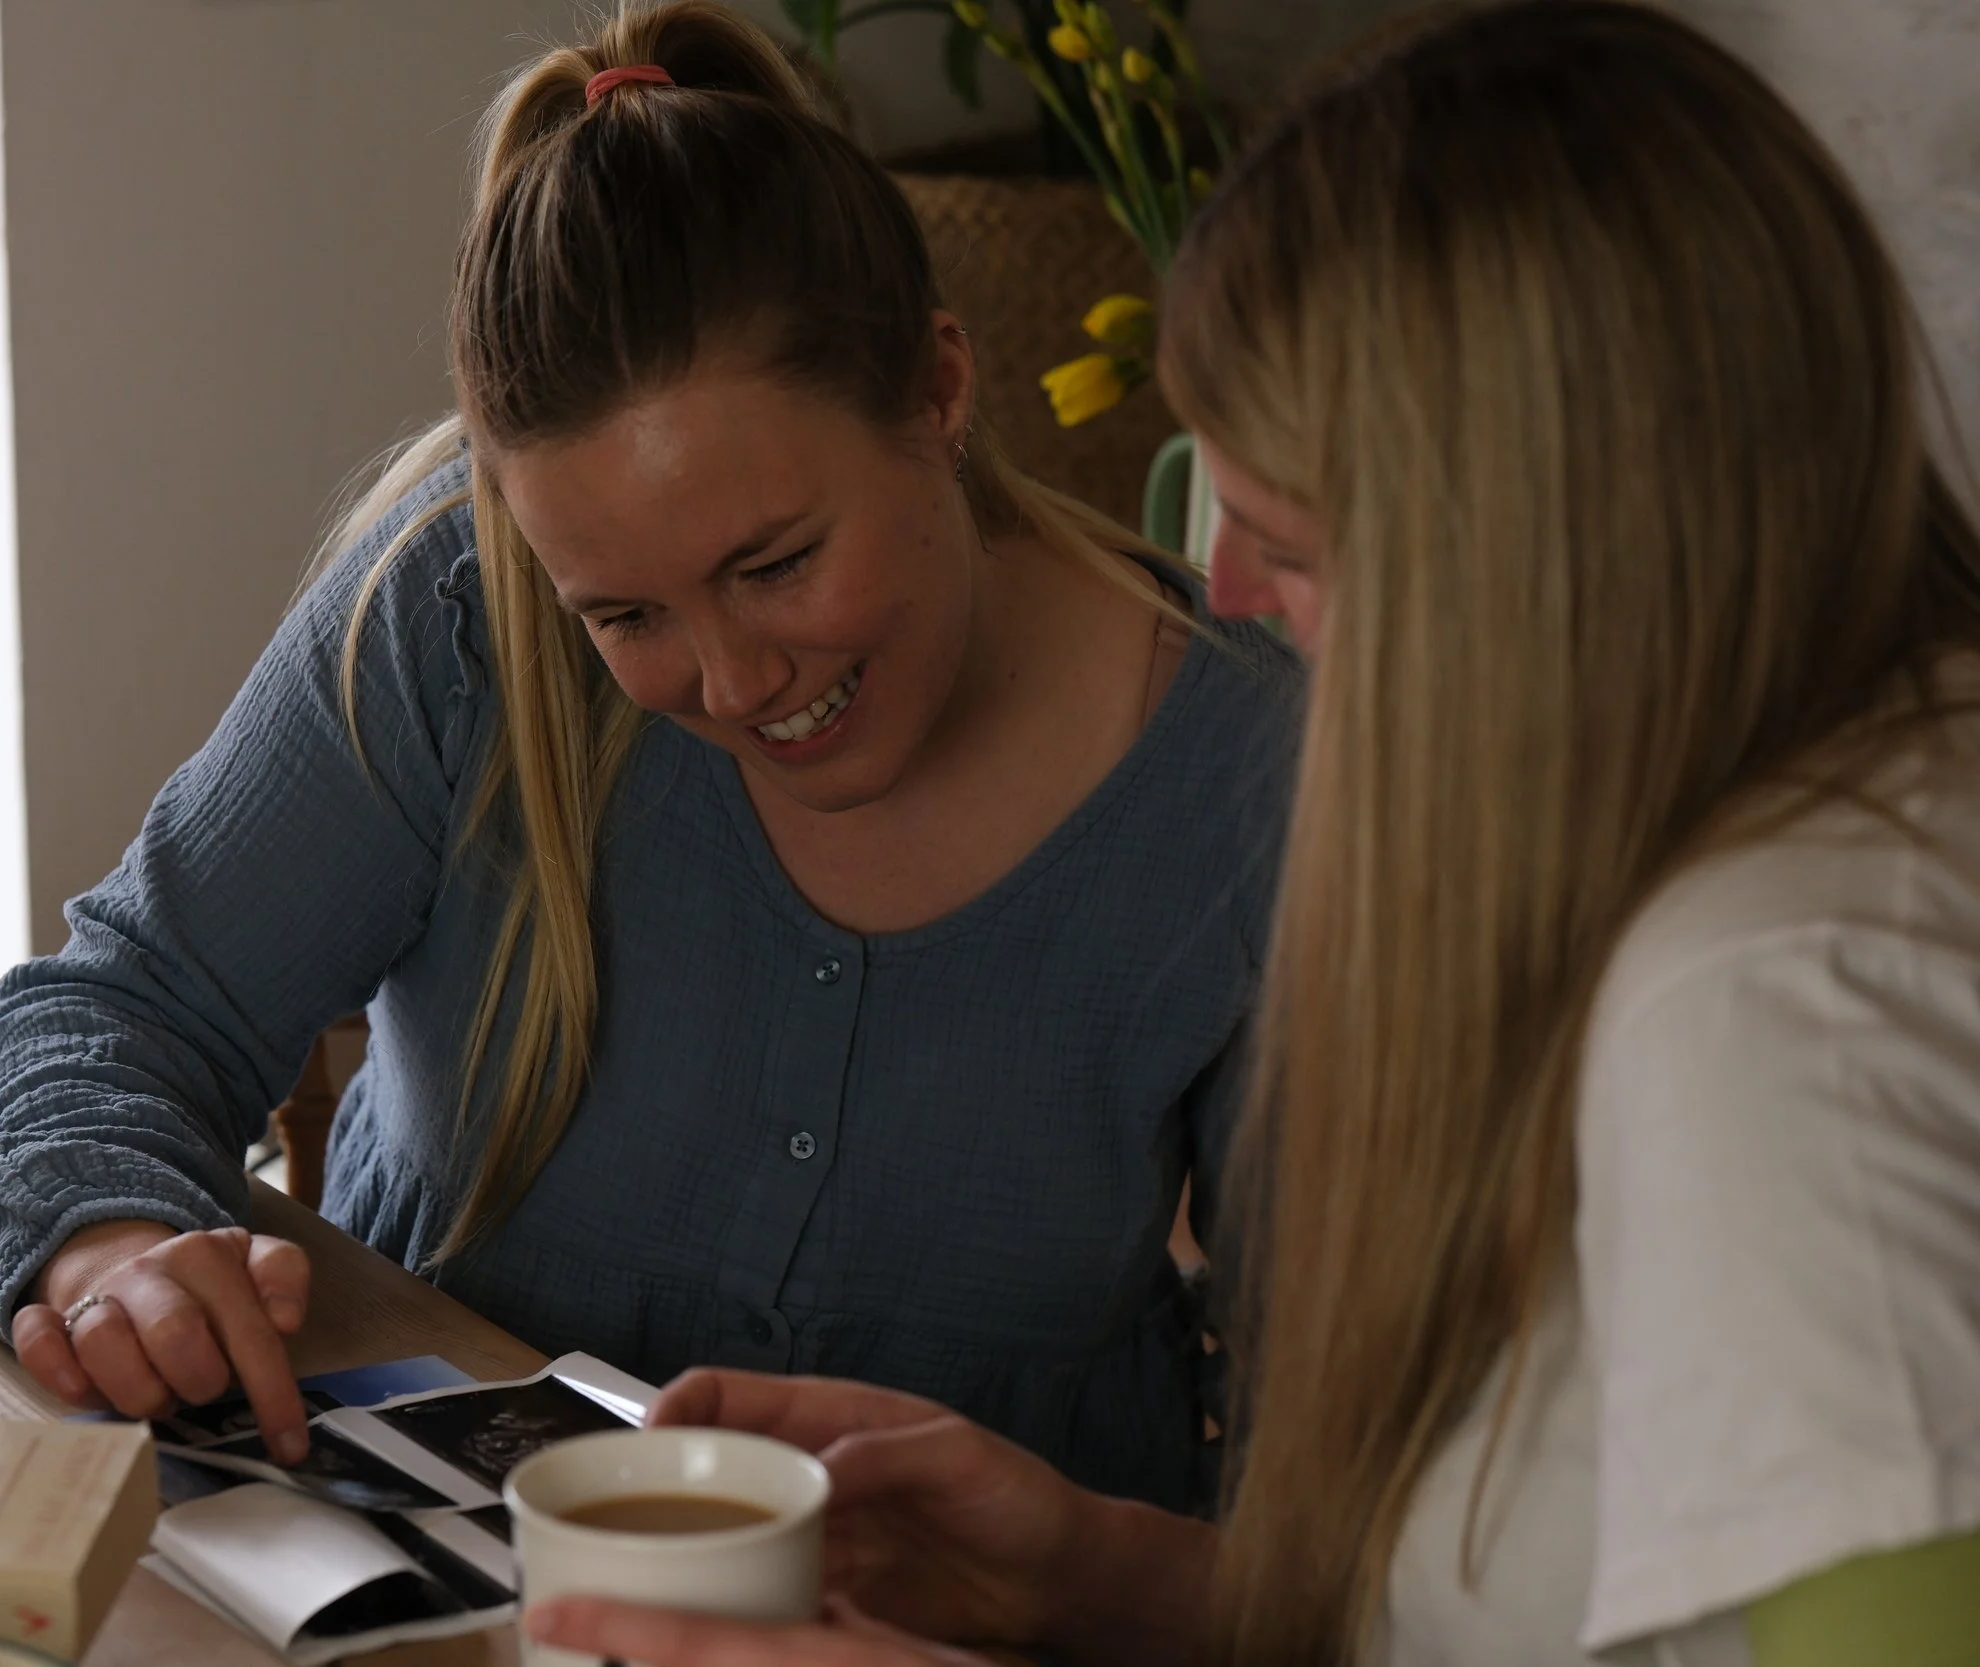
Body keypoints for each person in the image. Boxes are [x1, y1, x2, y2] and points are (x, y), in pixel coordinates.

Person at [523, 3, 1980, 1663]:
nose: (1222, 591)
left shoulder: (1777, 1010)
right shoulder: (1841, 803)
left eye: (1287, 540)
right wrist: (1103, 1568)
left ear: (1522, 559)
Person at [0, 0, 1301, 1512]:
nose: (728, 680)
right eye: (625, 612)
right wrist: (111, 1244)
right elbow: (119, 1012)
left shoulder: (1257, 771)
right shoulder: (457, 606)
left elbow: (1353, 1428)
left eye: (776, 563)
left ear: (941, 389)